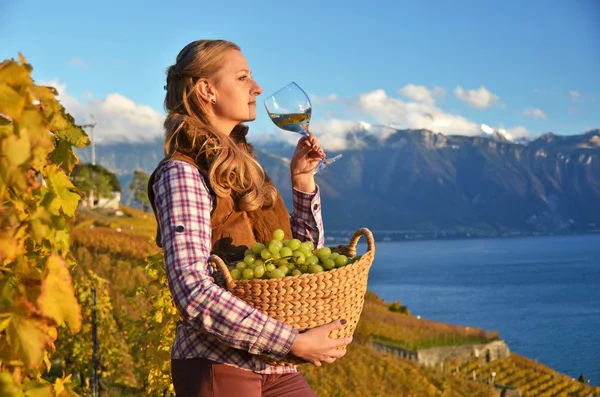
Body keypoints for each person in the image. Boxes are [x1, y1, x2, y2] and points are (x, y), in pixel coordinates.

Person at [147, 39, 352, 397]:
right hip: (217, 363)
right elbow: (191, 291)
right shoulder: (182, 175)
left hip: (272, 363)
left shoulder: (245, 170)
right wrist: (293, 342)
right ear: (207, 89)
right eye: (243, 78)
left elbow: (297, 265)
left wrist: (302, 182)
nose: (257, 88)